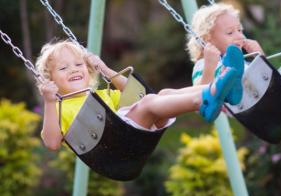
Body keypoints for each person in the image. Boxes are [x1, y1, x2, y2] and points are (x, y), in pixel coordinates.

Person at [36, 39, 244, 151]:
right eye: (63, 68)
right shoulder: (57, 108)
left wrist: (106, 70)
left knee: (163, 93)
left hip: (133, 132)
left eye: (79, 64)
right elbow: (52, 143)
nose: (73, 70)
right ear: (51, 80)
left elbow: (137, 94)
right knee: (150, 102)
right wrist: (48, 100)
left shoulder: (101, 94)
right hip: (116, 145)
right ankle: (208, 96)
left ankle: (221, 89)